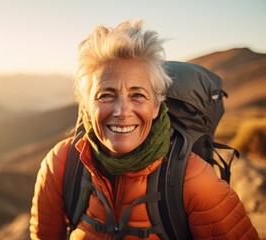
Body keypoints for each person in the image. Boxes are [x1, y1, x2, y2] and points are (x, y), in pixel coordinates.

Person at [29, 19, 259, 239]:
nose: (122, 111)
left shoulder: (194, 179)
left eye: (137, 95)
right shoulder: (61, 163)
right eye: (106, 95)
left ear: (157, 106)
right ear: (87, 107)